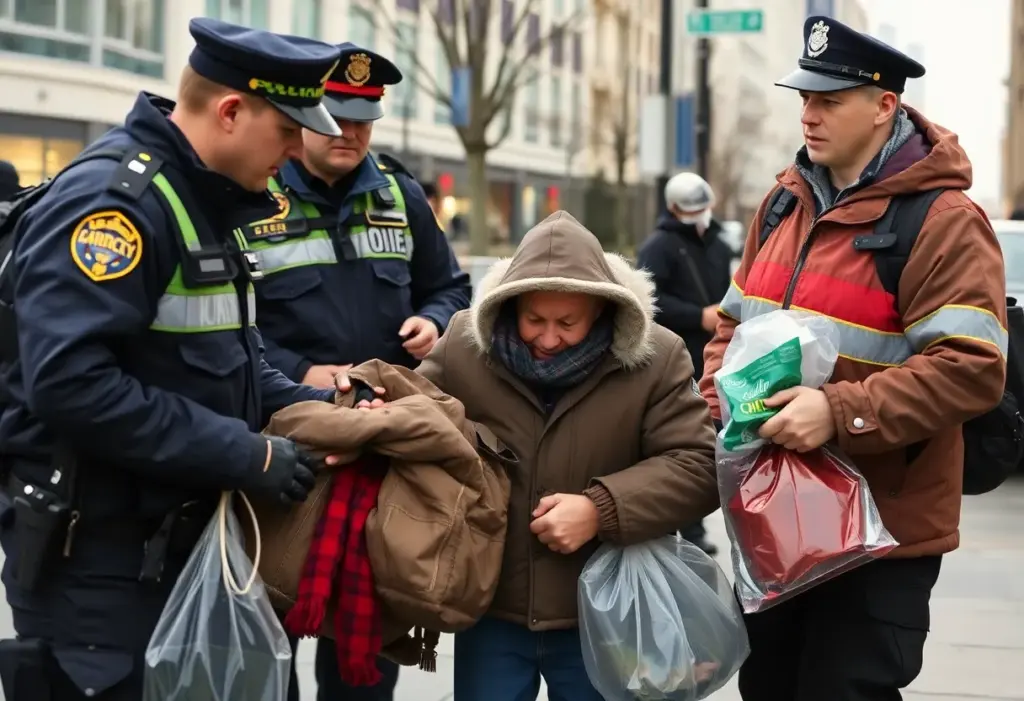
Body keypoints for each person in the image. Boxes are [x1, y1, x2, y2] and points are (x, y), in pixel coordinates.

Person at [0, 18, 351, 701]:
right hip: (97, 570)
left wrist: (323, 409)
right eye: (287, 131)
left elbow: (222, 359)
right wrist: (246, 454)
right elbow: (72, 385)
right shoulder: (117, 208)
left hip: (168, 555)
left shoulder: (198, 198)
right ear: (229, 112)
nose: (298, 149)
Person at [699, 16, 1007, 701]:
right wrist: (717, 398)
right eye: (805, 99)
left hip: (883, 529)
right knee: (771, 687)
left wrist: (837, 411)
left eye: (829, 100)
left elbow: (972, 367)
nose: (808, 114)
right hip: (777, 513)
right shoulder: (783, 203)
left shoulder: (945, 220)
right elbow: (732, 322)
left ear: (884, 106)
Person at [239, 43, 470, 701]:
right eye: (335, 117)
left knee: (367, 642)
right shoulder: (254, 197)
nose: (351, 133)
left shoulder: (401, 196)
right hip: (284, 444)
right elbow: (225, 326)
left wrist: (434, 317)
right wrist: (300, 371)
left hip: (381, 446)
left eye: (365, 119)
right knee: (270, 636)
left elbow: (450, 287)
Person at [412, 210, 719, 700]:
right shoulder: (462, 347)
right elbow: (414, 422)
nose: (549, 338)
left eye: (567, 323)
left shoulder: (658, 358)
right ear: (510, 305)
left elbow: (699, 465)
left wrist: (601, 509)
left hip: (604, 613)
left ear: (602, 309)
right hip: (490, 609)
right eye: (534, 319)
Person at [636, 171, 731, 556]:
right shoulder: (658, 246)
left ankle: (694, 521)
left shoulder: (720, 246)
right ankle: (685, 525)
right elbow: (650, 301)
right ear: (674, 208)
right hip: (677, 355)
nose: (701, 215)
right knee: (680, 437)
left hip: (714, 354)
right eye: (693, 208)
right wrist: (698, 316)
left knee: (708, 437)